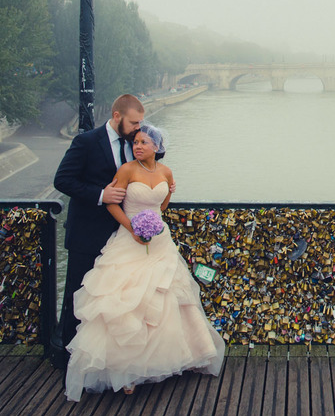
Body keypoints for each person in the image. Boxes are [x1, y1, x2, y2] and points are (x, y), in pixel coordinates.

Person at [65, 124, 224, 400]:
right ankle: (126, 371)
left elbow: (162, 207)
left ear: (157, 147)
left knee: (165, 299)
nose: (137, 146)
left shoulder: (165, 172)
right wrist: (133, 228)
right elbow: (113, 203)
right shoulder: (127, 170)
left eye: (143, 142)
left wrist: (168, 195)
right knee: (128, 301)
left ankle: (166, 359)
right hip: (129, 240)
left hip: (160, 242)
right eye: (136, 142)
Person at [53, 93, 147, 365]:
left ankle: (107, 362)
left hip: (122, 236)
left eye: (140, 123)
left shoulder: (137, 143)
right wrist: (100, 194)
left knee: (116, 300)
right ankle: (68, 361)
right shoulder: (86, 142)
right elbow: (62, 180)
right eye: (133, 123)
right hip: (87, 235)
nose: (137, 129)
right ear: (117, 116)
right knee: (78, 297)